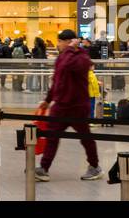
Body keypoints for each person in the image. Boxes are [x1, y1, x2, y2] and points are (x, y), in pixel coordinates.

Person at [36, 29, 102, 182]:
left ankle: (95, 166)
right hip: (60, 106)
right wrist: (48, 100)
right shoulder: (62, 57)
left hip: (77, 106)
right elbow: (57, 81)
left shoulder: (82, 57)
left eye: (60, 41)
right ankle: (44, 168)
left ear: (69, 42)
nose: (57, 45)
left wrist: (72, 49)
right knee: (52, 136)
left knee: (85, 138)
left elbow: (68, 66)